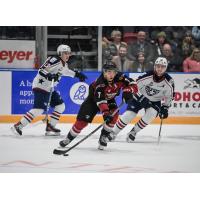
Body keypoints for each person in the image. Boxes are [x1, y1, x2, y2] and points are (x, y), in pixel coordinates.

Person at [59, 62, 138, 150]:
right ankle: (69, 138)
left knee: (114, 115)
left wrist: (128, 90)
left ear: (116, 72)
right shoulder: (100, 83)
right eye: (108, 72)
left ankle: (103, 137)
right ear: (104, 72)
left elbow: (133, 83)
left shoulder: (120, 77)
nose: (111, 74)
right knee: (82, 122)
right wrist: (105, 113)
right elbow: (101, 101)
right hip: (93, 100)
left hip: (109, 100)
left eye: (113, 72)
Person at [11, 44, 87, 136]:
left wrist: (77, 75)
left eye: (68, 53)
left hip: (49, 88)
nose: (67, 55)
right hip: (41, 86)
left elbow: (66, 72)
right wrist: (49, 75)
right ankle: (18, 125)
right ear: (60, 53)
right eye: (65, 53)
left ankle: (50, 127)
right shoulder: (54, 60)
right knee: (39, 110)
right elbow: (41, 70)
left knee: (60, 106)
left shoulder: (64, 64)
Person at [107, 57, 175, 145]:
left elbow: (170, 96)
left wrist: (165, 107)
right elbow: (135, 86)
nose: (160, 69)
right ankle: (113, 132)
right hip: (139, 96)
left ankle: (133, 132)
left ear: (166, 68)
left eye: (162, 67)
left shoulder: (169, 81)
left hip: (155, 101)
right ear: (154, 66)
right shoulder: (147, 75)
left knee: (151, 114)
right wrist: (142, 98)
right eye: (158, 66)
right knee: (129, 115)